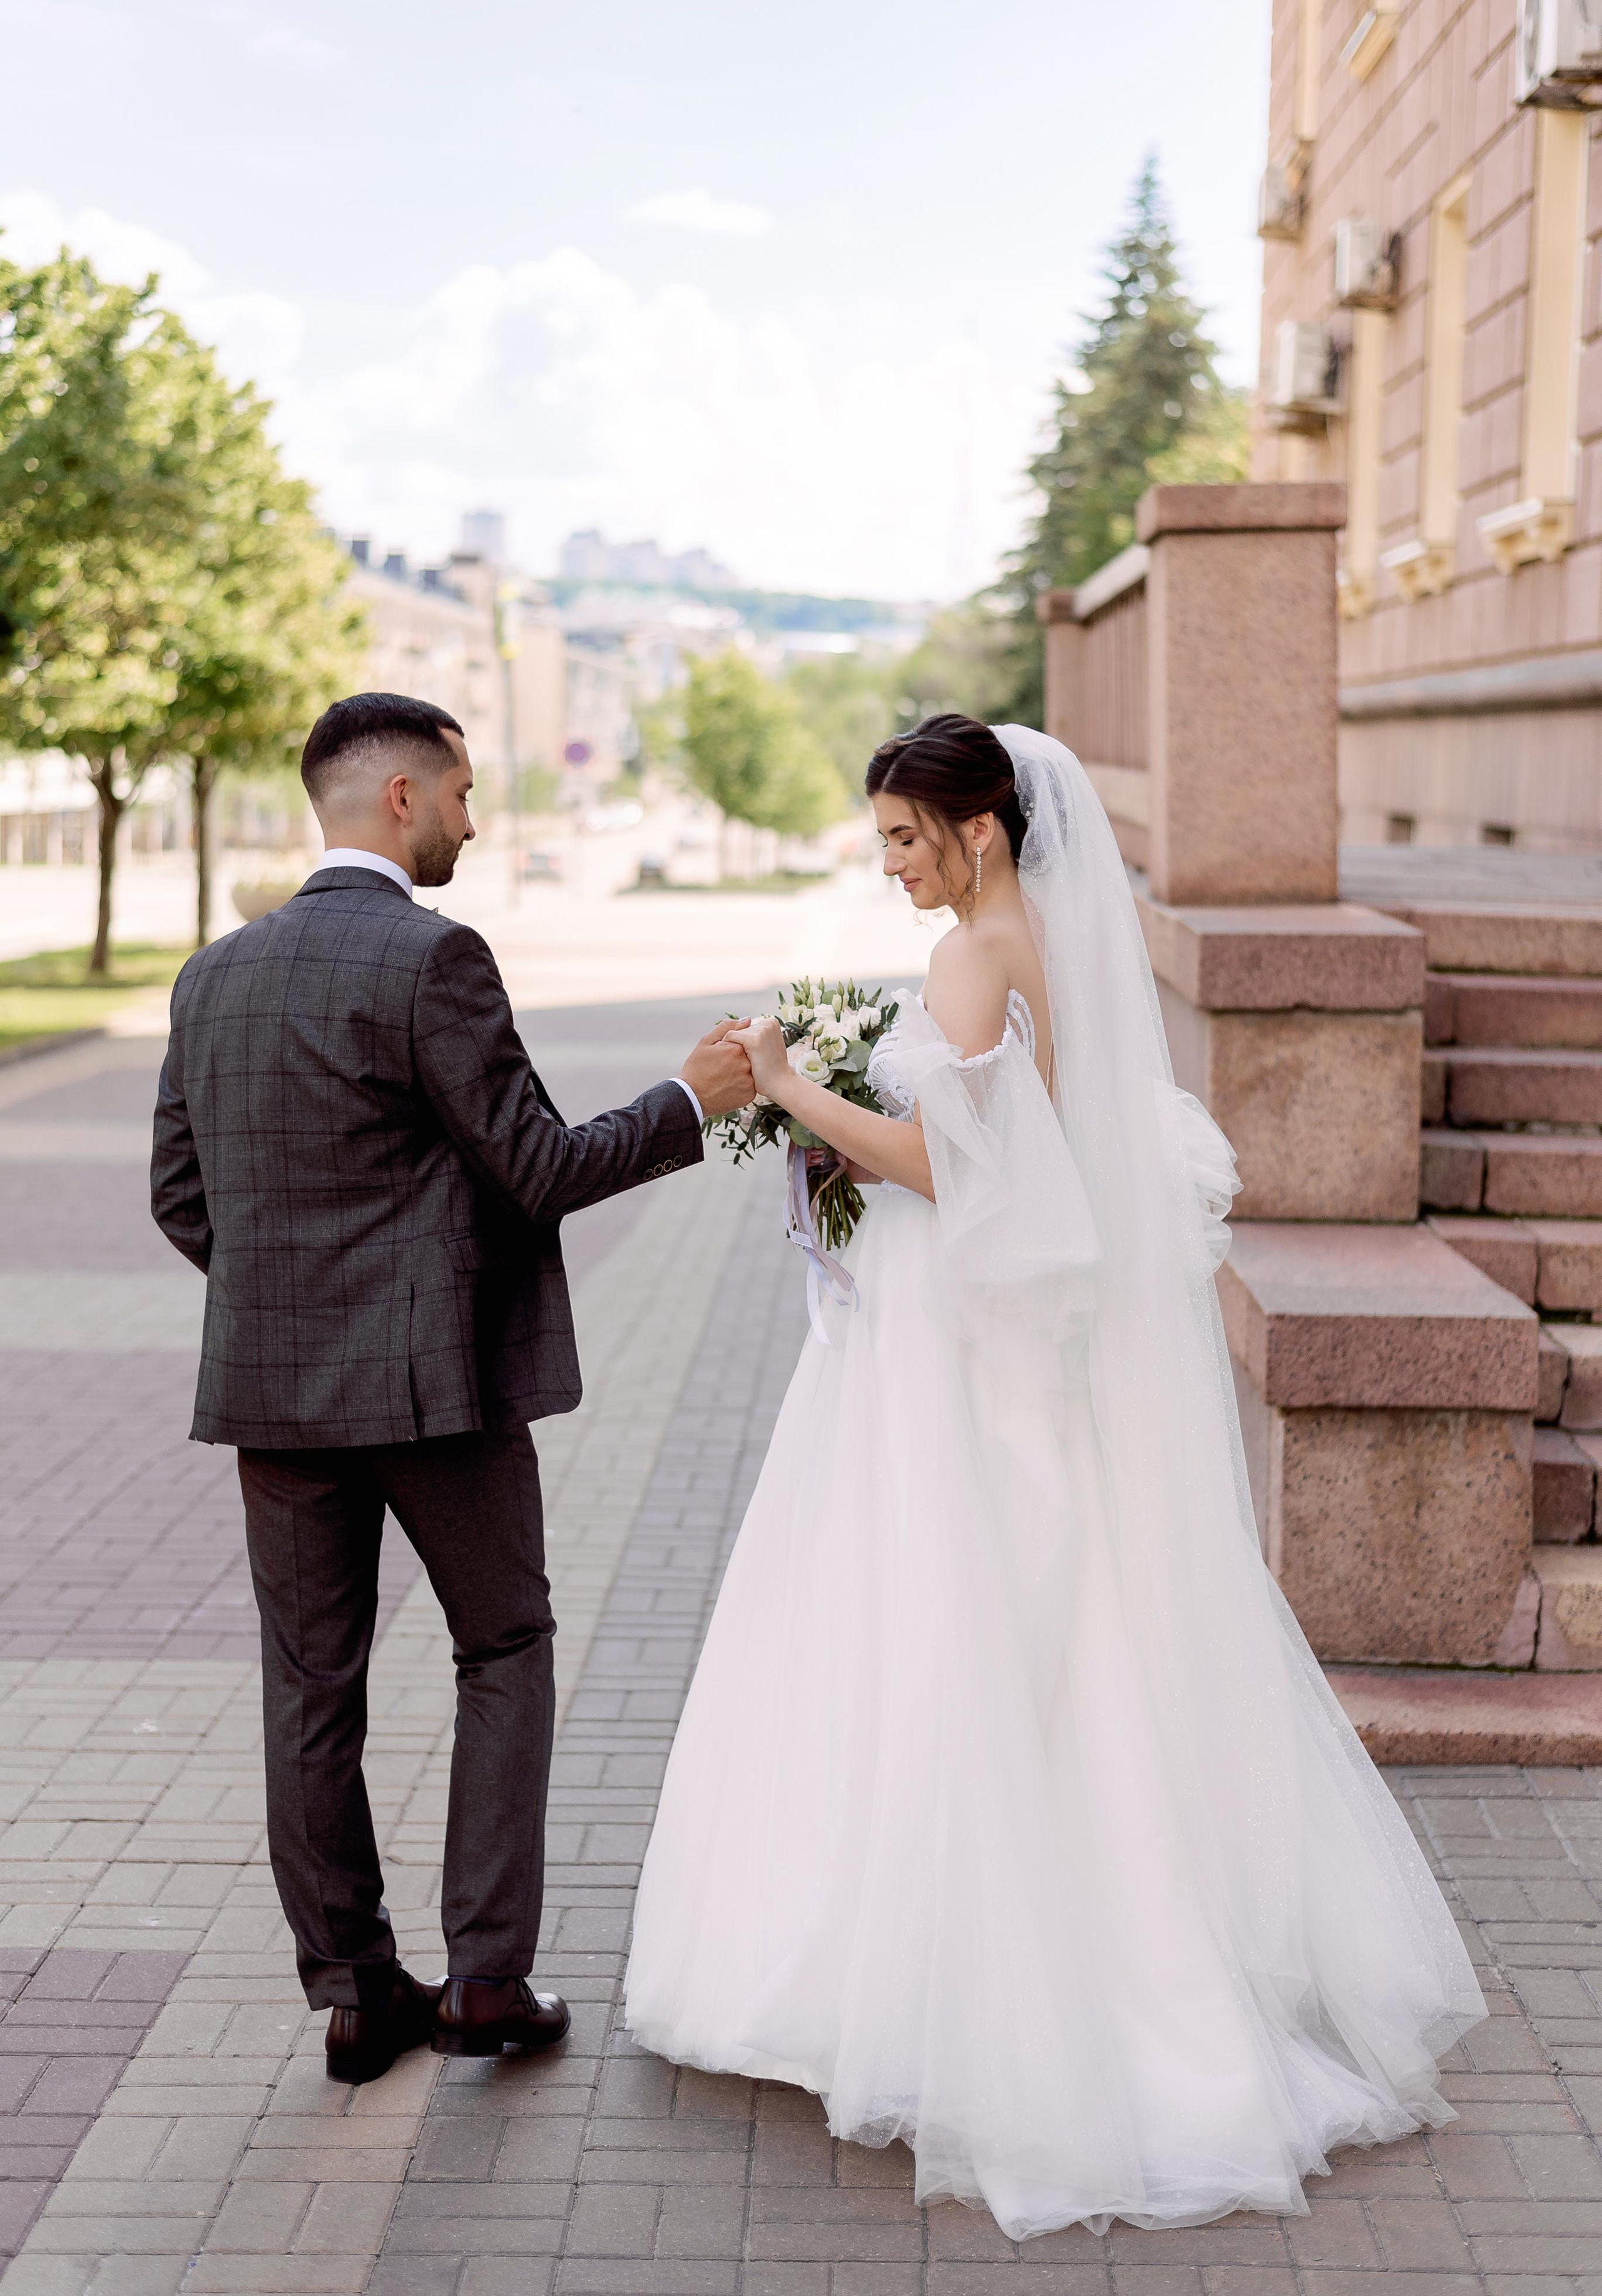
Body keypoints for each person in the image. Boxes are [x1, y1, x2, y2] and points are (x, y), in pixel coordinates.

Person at [625, 713, 1485, 2239]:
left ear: (982, 828)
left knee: (944, 1615)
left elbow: (953, 1169)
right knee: (1048, 1622)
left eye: (905, 837)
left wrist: (787, 1087)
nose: (889, 864)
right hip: (994, 1334)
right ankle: (1070, 1948)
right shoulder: (1041, 947)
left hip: (950, 1345)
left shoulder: (974, 957)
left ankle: (964, 1992)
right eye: (880, 839)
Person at [150, 690, 753, 2085]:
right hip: (439, 1394)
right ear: (401, 797)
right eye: (466, 794)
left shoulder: (210, 976)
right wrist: (687, 1101)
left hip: (275, 1398)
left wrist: (289, 1302)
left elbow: (184, 1200)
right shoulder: (435, 956)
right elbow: (537, 1167)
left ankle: (359, 1996)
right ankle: (485, 1980)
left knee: (310, 1689)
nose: (475, 823)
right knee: (505, 1646)